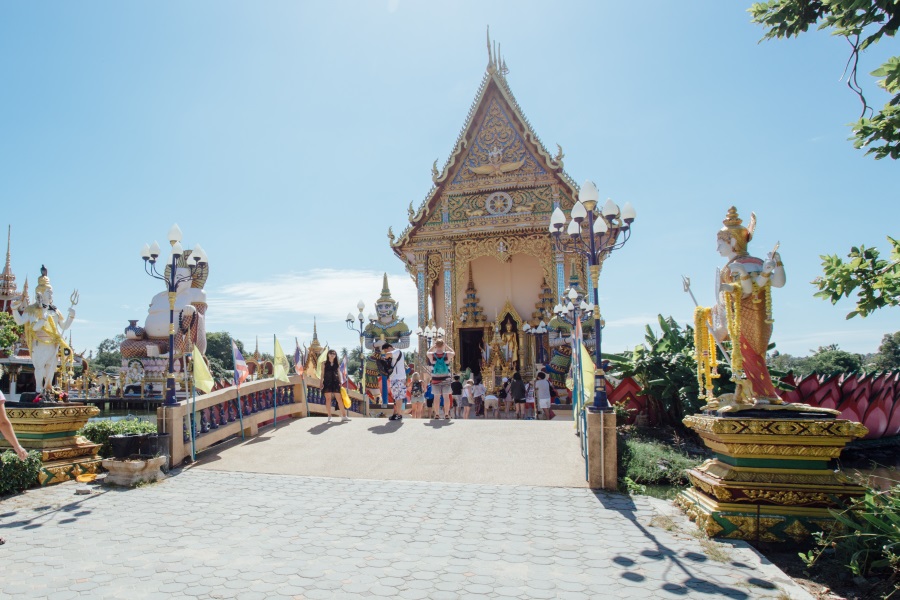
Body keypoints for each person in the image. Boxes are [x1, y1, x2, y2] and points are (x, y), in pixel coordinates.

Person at [426, 338, 455, 419]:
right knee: (446, 397)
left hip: (435, 379)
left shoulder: (431, 355)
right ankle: (446, 414)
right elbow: (453, 352)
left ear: (436, 345)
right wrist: (447, 346)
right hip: (446, 379)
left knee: (436, 397)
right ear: (442, 345)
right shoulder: (447, 354)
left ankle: (437, 414)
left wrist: (433, 347)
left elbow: (427, 352)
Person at [378, 343, 407, 421]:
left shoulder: (397, 351)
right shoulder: (394, 355)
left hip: (398, 378)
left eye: (385, 350)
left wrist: (383, 356)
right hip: (396, 378)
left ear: (389, 347)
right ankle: (395, 413)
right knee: (396, 397)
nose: (385, 351)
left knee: (398, 397)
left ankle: (399, 414)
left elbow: (388, 354)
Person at [322, 349, 348, 423]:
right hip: (327, 382)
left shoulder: (337, 364)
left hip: (336, 382)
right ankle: (329, 416)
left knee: (339, 399)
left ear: (335, 355)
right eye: (331, 353)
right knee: (328, 399)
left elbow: (339, 374)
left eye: (334, 353)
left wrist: (340, 382)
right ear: (328, 354)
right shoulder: (324, 363)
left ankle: (344, 416)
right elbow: (322, 374)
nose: (332, 354)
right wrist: (321, 382)